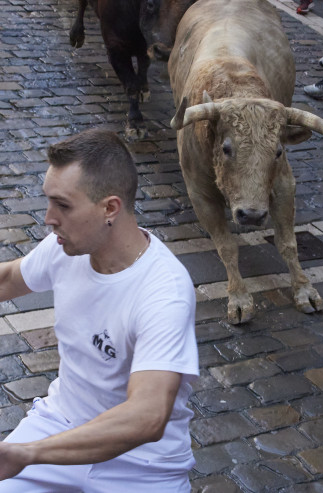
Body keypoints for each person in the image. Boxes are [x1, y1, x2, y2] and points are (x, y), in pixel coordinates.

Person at [0, 129, 199, 492]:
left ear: (110, 208)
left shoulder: (164, 291)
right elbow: (9, 278)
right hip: (61, 422)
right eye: (48, 202)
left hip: (143, 464)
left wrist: (28, 453)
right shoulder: (65, 247)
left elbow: (147, 416)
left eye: (62, 205)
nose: (48, 218)